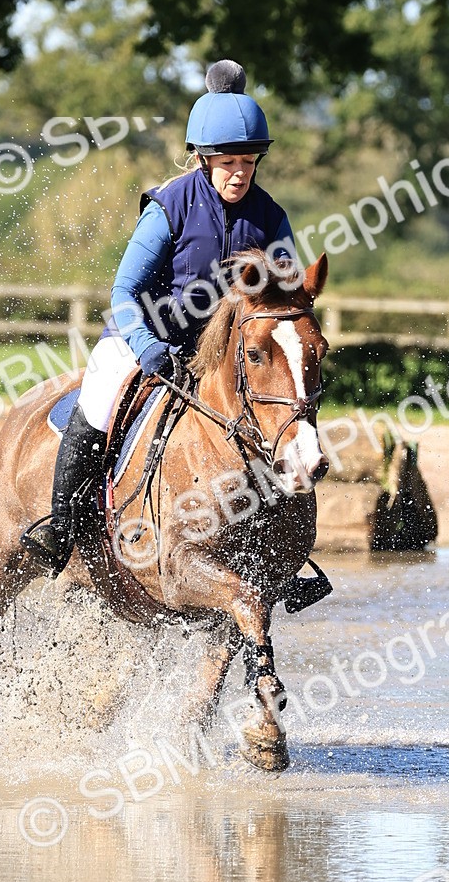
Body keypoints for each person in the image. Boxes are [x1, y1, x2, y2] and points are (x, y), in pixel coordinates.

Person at [21, 59, 297, 575]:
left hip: (219, 356)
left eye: (249, 162)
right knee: (101, 400)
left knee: (280, 418)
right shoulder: (169, 207)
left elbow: (285, 300)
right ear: (203, 159)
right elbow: (124, 290)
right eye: (228, 162)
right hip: (142, 338)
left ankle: (287, 553)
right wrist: (148, 348)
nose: (239, 173)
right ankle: (61, 525)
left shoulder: (271, 218)